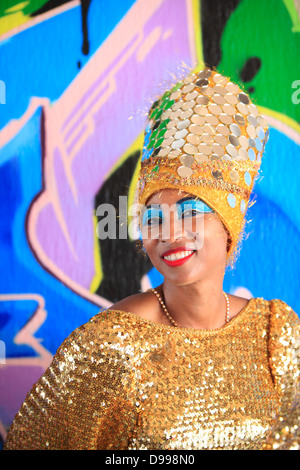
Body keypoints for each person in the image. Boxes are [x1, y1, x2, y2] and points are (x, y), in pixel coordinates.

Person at [4, 68, 299, 450]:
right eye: (153, 215)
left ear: (229, 221)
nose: (169, 232)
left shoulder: (276, 336)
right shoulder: (112, 344)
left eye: (191, 210)